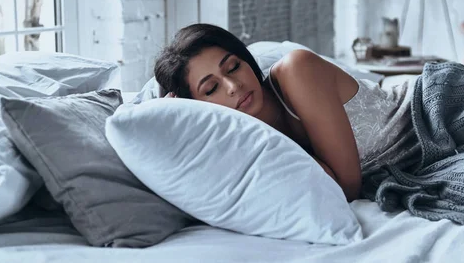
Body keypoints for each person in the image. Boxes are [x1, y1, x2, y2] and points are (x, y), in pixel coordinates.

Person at [154, 23, 421, 203]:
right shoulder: (242, 137)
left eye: (234, 67)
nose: (234, 87)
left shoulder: (296, 70)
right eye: (212, 88)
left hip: (432, 110)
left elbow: (346, 188)